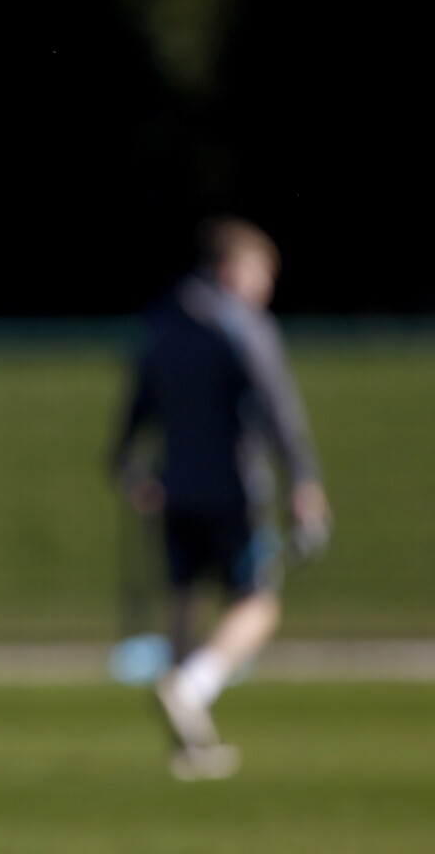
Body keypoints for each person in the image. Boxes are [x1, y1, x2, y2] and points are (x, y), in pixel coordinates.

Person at [110, 215, 330, 781]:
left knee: (182, 602)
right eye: (262, 273)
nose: (266, 288)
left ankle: (190, 745)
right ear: (233, 268)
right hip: (236, 490)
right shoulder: (243, 326)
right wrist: (303, 480)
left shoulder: (160, 324)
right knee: (258, 603)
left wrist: (131, 470)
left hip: (174, 489)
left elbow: (135, 415)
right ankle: (194, 687)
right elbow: (279, 407)